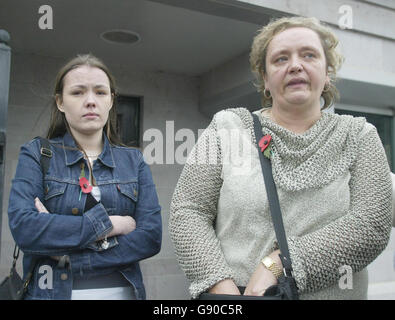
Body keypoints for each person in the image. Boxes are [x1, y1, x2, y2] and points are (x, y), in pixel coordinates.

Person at [169, 16, 393, 299]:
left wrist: (279, 264)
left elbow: (371, 224)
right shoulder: (226, 127)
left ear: (327, 73)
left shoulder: (359, 134)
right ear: (265, 78)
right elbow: (189, 210)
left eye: (309, 55)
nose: (295, 65)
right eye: (280, 59)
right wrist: (218, 284)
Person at [8, 54, 162, 300]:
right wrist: (111, 225)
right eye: (78, 92)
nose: (90, 101)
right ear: (60, 102)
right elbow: (25, 229)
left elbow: (151, 237)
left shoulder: (134, 161)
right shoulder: (37, 153)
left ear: (111, 101)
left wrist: (69, 256)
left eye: (100, 92)